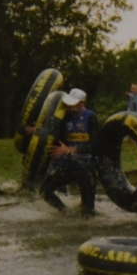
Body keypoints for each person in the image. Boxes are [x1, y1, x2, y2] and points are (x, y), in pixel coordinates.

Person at [39, 88, 99, 216]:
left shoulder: (91, 117)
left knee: (88, 212)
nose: (69, 106)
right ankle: (66, 213)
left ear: (82, 103)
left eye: (73, 104)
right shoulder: (64, 117)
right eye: (68, 103)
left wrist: (70, 149)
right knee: (45, 190)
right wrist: (36, 131)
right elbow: (52, 134)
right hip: (69, 165)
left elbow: (95, 146)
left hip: (86, 167)